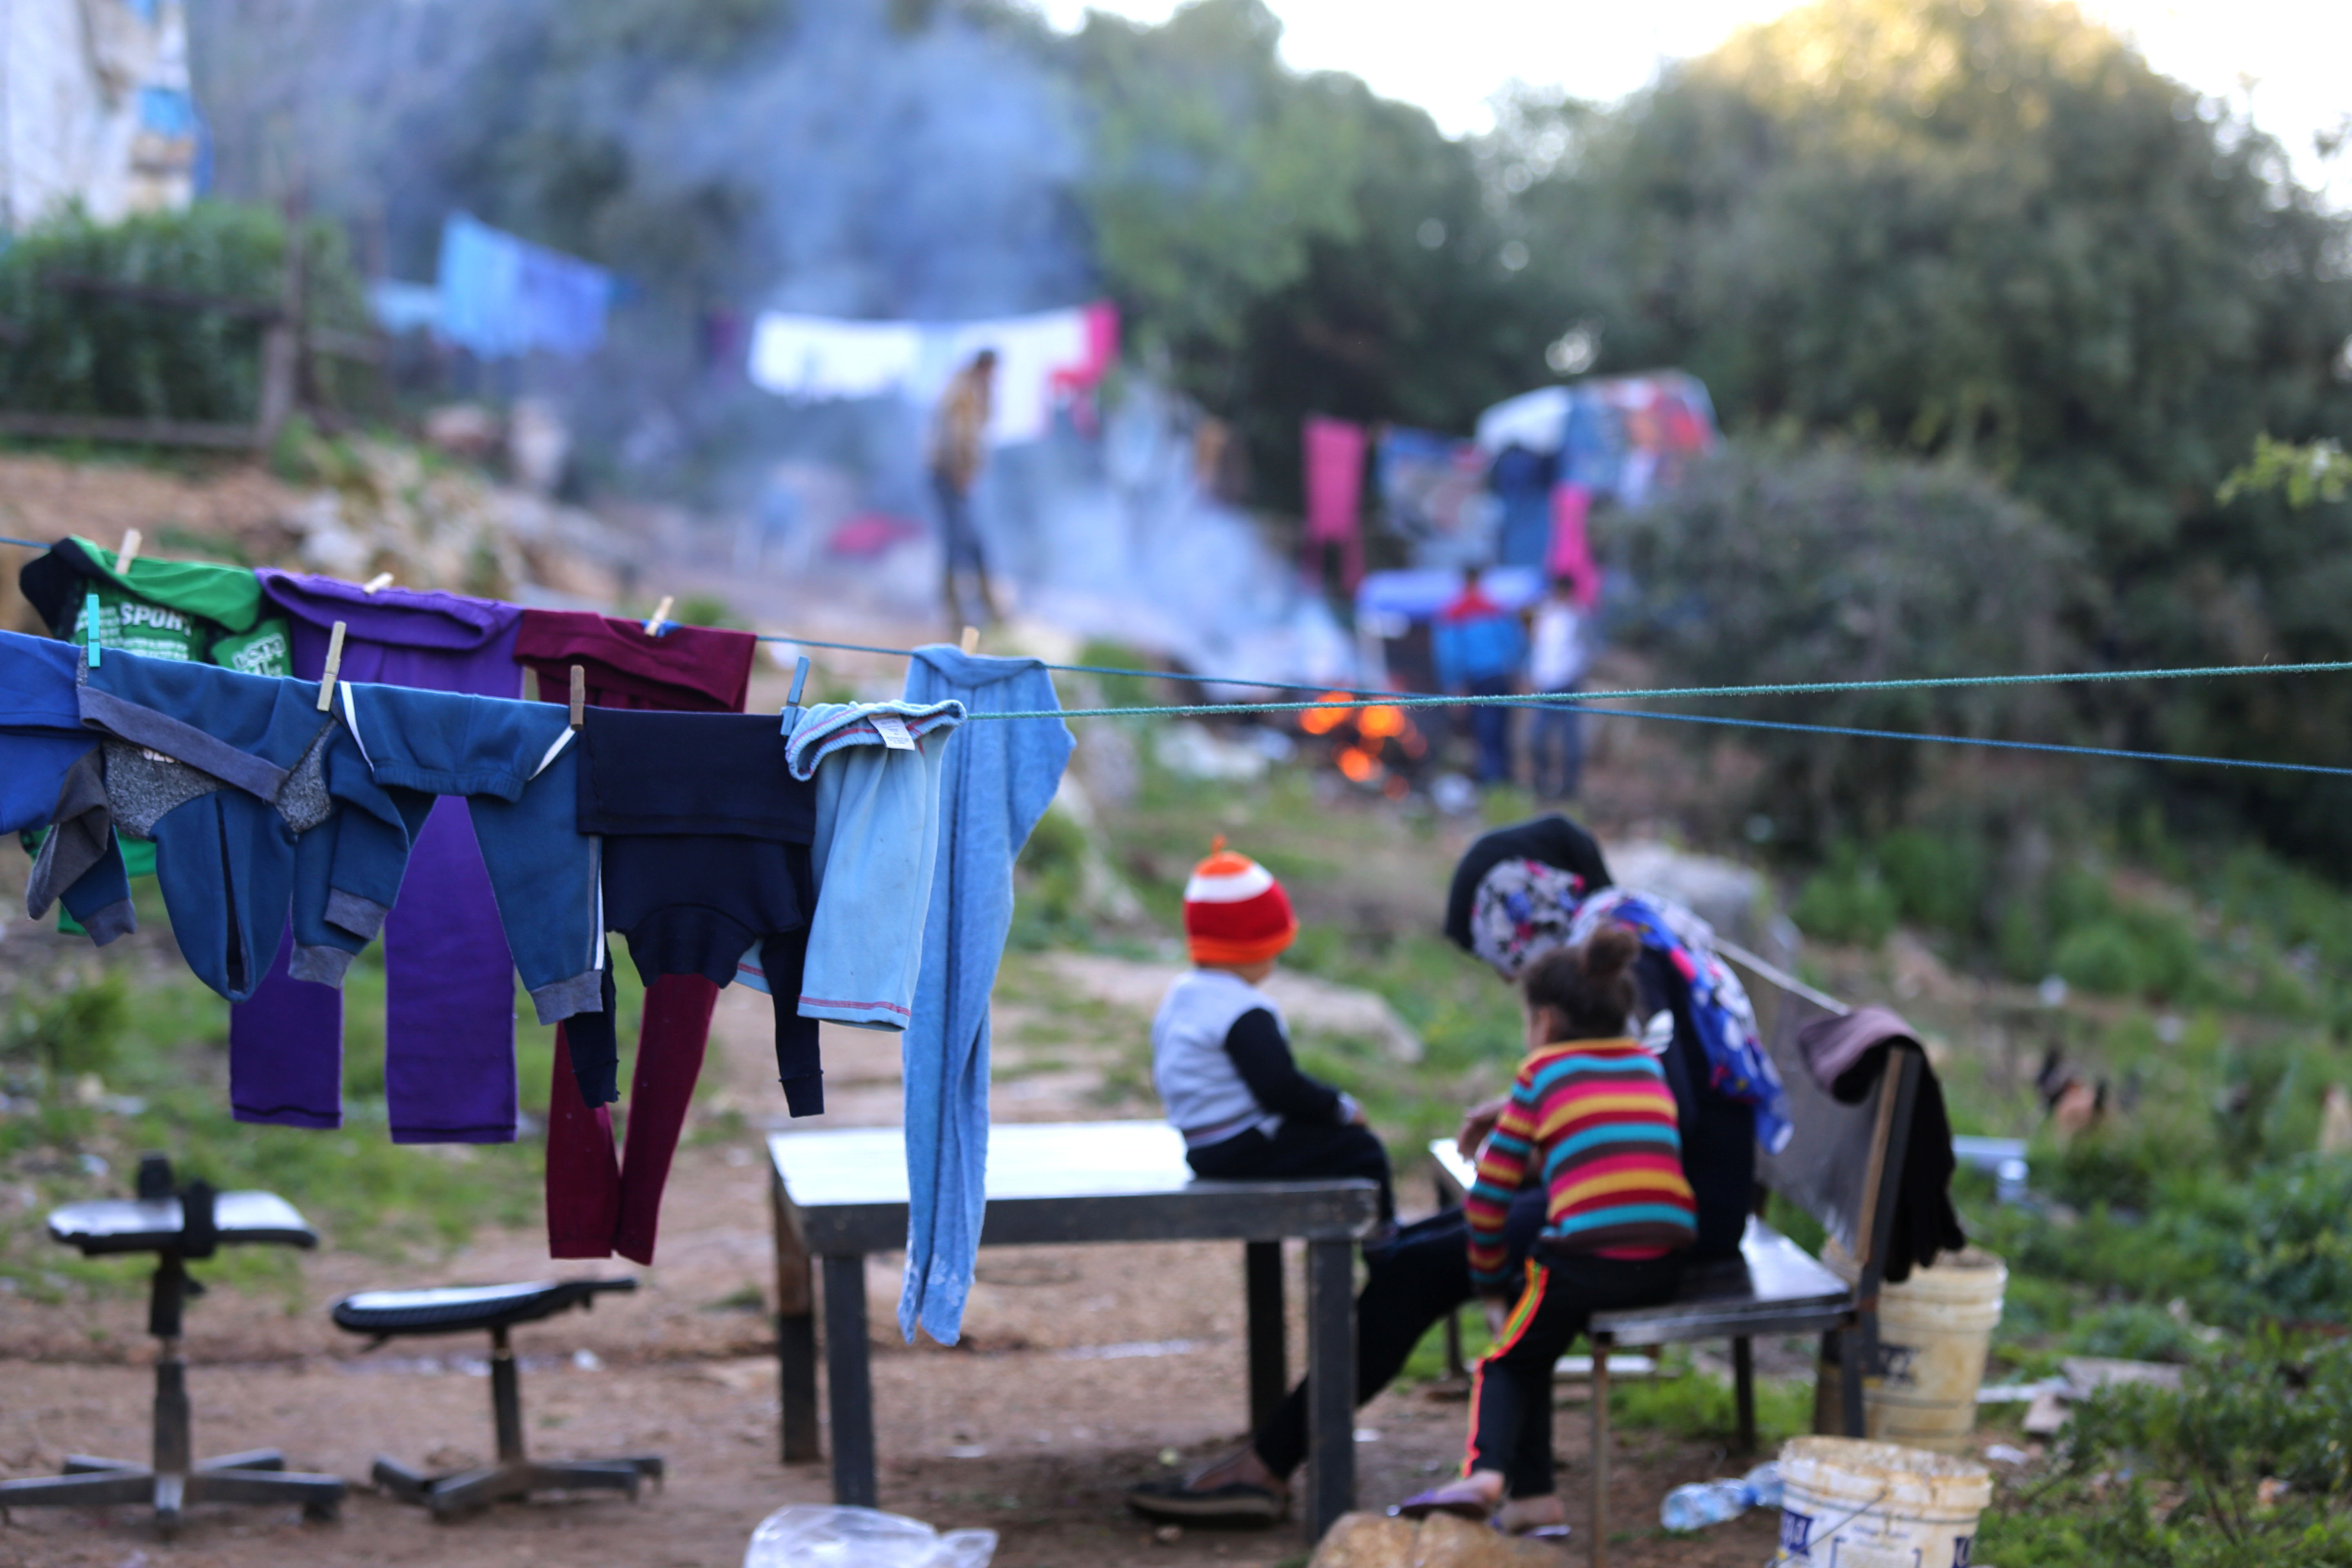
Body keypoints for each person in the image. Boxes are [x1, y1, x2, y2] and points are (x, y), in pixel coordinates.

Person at [1392, 929, 1694, 1524]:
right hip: (1668, 1260)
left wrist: (1488, 1288)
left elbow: (1488, 1199)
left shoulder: (1542, 1073)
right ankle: (1535, 1501)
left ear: (1546, 1021)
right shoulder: (1647, 1067)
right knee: (1534, 1343)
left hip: (1584, 1261)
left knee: (1507, 1359)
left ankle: (1485, 1476)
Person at [1152, 840, 1394, 1223]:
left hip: (1200, 1146)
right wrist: (1339, 1108)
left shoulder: (1182, 995)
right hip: (1242, 1147)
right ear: (1254, 948)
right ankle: (1385, 1242)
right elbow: (1280, 1088)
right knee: (1360, 1149)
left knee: (1314, 1135)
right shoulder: (1243, 1010)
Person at [1430, 567, 1526, 787]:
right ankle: (1505, 780)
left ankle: (1492, 783)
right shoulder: (1496, 608)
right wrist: (1518, 673)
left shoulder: (1454, 612)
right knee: (1503, 730)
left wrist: (1453, 684)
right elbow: (1514, 643)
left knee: (1485, 732)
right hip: (1501, 677)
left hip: (1478, 680)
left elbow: (1449, 654)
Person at [930, 348, 1000, 629]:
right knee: (960, 539)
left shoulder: (975, 391)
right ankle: (958, 609)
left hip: (955, 474)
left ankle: (979, 607)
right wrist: (961, 469)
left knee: (963, 539)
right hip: (949, 474)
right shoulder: (965, 393)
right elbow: (958, 434)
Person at [1525, 576, 1587, 800]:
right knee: (1538, 736)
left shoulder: (1577, 615)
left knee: (1570, 739)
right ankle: (1541, 784)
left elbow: (1585, 648)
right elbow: (1535, 643)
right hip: (1545, 684)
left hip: (1568, 683)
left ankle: (1570, 787)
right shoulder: (1543, 613)